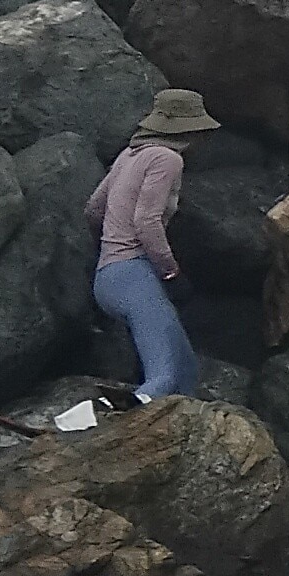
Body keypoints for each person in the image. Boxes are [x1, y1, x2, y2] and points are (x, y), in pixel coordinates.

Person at [88, 89, 219, 402]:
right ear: (191, 130)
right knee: (164, 375)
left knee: (185, 368)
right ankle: (90, 422)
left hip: (108, 277)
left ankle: (176, 427)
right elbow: (146, 222)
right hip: (134, 276)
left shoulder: (128, 155)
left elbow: (93, 209)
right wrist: (171, 271)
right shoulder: (167, 158)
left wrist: (109, 247)